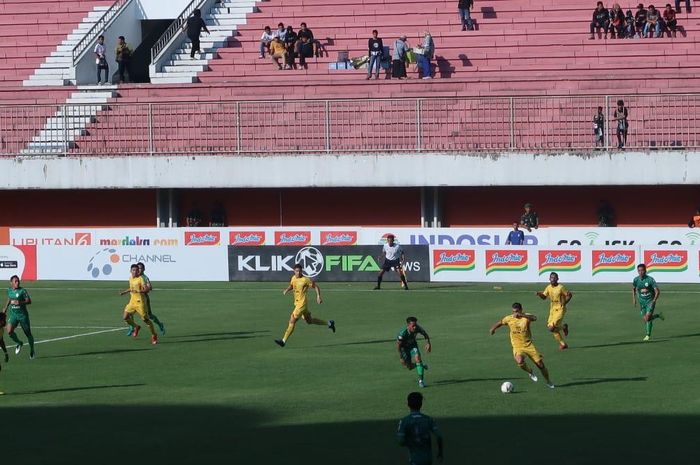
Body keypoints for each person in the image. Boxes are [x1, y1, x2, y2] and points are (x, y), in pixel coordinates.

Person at [490, 302, 555, 388]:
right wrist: (493, 329)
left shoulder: (526, 317)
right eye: (513, 311)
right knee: (519, 361)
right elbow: (500, 322)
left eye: (516, 311)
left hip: (529, 345)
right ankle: (530, 371)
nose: (515, 313)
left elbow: (534, 318)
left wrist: (522, 315)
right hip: (517, 346)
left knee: (541, 365)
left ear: (521, 310)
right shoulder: (509, 318)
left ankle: (548, 381)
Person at [274, 264, 335, 347]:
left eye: (299, 271)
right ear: (294, 271)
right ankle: (329, 323)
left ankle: (283, 341)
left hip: (301, 304)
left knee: (292, 320)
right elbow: (292, 285)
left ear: (302, 271)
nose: (298, 272)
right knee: (309, 321)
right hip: (298, 304)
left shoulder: (305, 280)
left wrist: (318, 296)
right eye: (296, 271)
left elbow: (316, 287)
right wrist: (287, 290)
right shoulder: (293, 278)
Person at [397, 392, 444, 464]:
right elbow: (439, 437)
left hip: (415, 459)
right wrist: (440, 453)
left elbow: (401, 442)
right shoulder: (428, 419)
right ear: (421, 404)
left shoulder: (404, 421)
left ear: (408, 404)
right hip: (428, 459)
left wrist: (412, 441)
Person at [120, 264, 158, 345]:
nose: (135, 272)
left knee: (146, 320)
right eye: (133, 270)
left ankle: (154, 334)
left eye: (137, 270)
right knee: (125, 317)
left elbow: (147, 289)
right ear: (130, 271)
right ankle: (136, 327)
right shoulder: (130, 278)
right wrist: (125, 292)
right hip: (132, 301)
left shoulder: (141, 279)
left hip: (140, 302)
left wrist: (140, 291)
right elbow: (132, 288)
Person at [536, 272, 573, 350]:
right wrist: (540, 294)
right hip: (552, 309)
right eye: (551, 278)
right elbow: (544, 297)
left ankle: (563, 328)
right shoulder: (548, 287)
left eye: (554, 278)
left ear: (557, 279)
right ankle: (563, 343)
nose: (552, 279)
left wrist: (565, 303)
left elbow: (569, 295)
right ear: (549, 279)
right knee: (552, 328)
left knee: (551, 328)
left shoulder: (561, 287)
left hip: (560, 308)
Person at [4, 275, 35, 359]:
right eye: (16, 281)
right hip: (13, 314)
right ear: (11, 283)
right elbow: (9, 298)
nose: (17, 282)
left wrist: (20, 302)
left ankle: (32, 350)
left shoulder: (22, 291)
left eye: (18, 281)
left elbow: (29, 301)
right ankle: (19, 343)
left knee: (28, 333)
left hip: (23, 316)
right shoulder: (9, 290)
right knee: (9, 331)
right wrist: (5, 308)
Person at [396, 317, 431, 388]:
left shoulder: (418, 328)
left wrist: (428, 343)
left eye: (415, 325)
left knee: (417, 358)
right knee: (408, 367)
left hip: (413, 346)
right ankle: (421, 365)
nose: (415, 327)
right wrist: (401, 357)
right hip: (404, 349)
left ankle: (421, 381)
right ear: (408, 325)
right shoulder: (402, 333)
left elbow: (425, 334)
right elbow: (398, 345)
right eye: (413, 326)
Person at [133, 262, 165, 336]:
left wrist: (143, 288)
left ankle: (160, 324)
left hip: (143, 299)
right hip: (134, 298)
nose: (138, 270)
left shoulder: (144, 278)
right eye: (137, 268)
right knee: (129, 313)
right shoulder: (134, 276)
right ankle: (133, 327)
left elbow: (150, 287)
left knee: (149, 315)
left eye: (140, 268)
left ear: (144, 269)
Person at [632, 264, 663, 341]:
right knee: (645, 319)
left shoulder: (650, 279)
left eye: (642, 270)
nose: (640, 272)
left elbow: (657, 291)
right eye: (639, 270)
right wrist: (634, 299)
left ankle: (647, 335)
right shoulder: (636, 280)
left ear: (645, 270)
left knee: (648, 318)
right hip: (642, 302)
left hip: (650, 301)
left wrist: (654, 300)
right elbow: (633, 289)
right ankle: (657, 316)